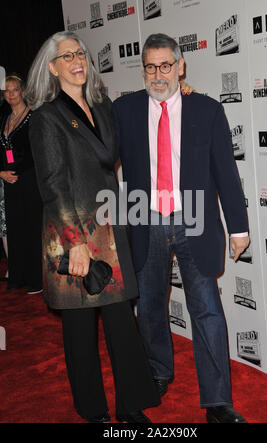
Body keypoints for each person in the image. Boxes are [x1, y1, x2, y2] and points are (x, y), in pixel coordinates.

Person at [112, 33, 250, 424]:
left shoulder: (206, 110)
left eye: (166, 65)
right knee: (151, 307)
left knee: (206, 310)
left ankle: (218, 402)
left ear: (181, 66)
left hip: (196, 221)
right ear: (143, 70)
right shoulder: (125, 110)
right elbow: (103, 156)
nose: (159, 75)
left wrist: (238, 227)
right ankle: (157, 373)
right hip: (146, 219)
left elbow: (226, 170)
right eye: (151, 67)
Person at [25, 31, 160, 423]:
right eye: (66, 57)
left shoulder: (100, 106)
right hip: (75, 235)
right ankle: (94, 411)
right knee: (81, 330)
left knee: (121, 322)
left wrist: (177, 90)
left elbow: (131, 121)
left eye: (79, 54)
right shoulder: (47, 117)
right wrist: (75, 243)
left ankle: (131, 405)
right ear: (52, 68)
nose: (77, 61)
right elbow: (52, 186)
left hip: (110, 231)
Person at [0, 75, 43, 293]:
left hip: (29, 179)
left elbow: (37, 151)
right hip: (10, 181)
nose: (10, 94)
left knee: (32, 228)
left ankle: (37, 280)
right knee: (15, 229)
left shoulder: (33, 117)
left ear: (22, 91)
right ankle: (19, 277)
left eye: (14, 90)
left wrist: (14, 171)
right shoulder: (4, 119)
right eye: (6, 91)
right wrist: (2, 172)